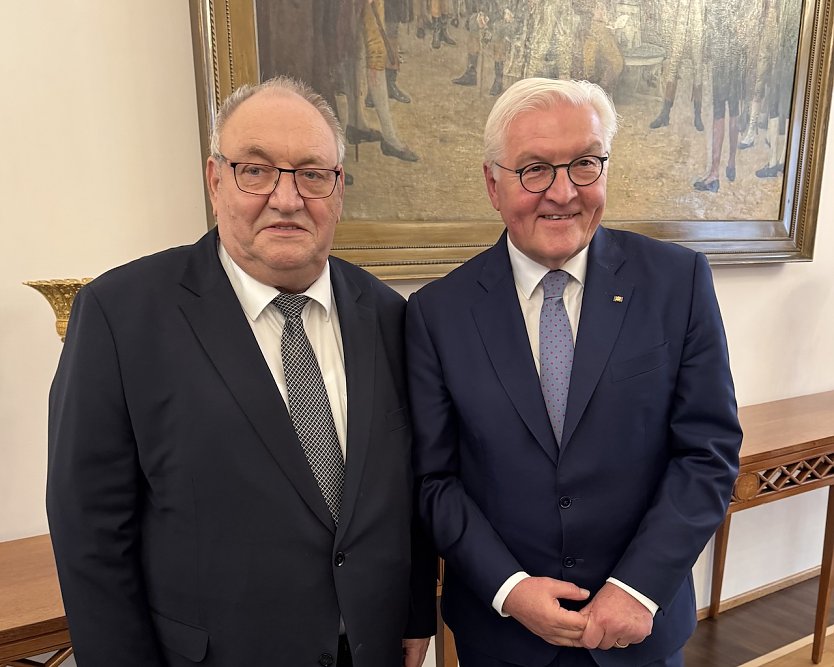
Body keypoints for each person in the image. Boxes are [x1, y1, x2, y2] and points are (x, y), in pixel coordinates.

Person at [47, 76, 435, 667]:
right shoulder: (120, 314)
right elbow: (90, 532)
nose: (286, 198)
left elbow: (402, 493)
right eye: (256, 170)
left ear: (338, 189)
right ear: (215, 180)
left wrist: (411, 613)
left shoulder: (388, 314)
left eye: (311, 174)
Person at [406, 77, 742, 667]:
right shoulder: (437, 313)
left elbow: (707, 453)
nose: (563, 193)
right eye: (534, 168)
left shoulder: (677, 283)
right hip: (503, 636)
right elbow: (436, 482)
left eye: (585, 164)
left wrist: (637, 588)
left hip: (639, 630)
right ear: (493, 182)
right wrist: (511, 590)